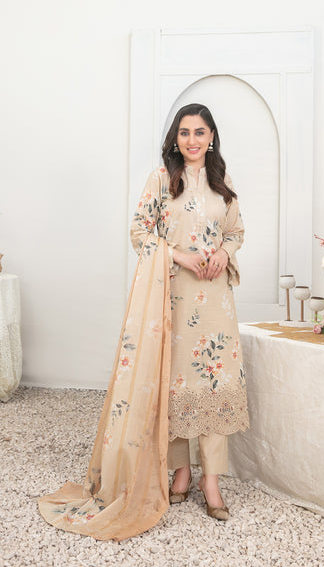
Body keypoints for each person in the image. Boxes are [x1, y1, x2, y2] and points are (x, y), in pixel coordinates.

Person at [130, 103, 249, 520]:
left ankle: (210, 480)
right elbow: (139, 232)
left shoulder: (221, 181)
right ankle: (181, 472)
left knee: (215, 382)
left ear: (211, 137)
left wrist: (224, 252)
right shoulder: (162, 179)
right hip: (174, 295)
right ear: (175, 139)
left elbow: (236, 231)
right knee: (177, 382)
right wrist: (179, 256)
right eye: (184, 132)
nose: (192, 140)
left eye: (200, 132)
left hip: (216, 299)